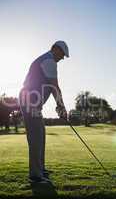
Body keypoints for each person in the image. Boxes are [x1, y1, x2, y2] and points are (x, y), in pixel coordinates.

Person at [19, 40, 69, 183]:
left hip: (32, 102)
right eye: (62, 54)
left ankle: (40, 169)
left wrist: (59, 107)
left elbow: (51, 88)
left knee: (41, 134)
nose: (62, 58)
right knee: (36, 137)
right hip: (29, 101)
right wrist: (62, 108)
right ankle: (35, 176)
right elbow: (55, 88)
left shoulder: (47, 59)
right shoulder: (49, 61)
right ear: (55, 49)